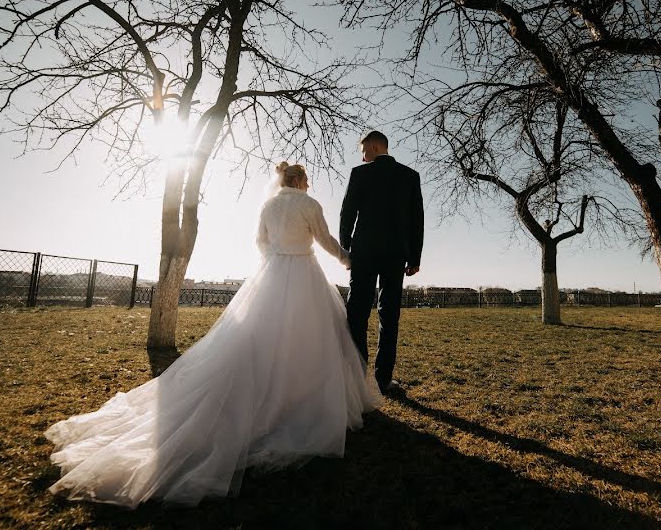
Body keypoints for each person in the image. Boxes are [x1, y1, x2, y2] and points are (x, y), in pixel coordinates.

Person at [45, 162, 381, 509]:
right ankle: (299, 399)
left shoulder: (268, 205)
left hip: (274, 273)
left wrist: (276, 262)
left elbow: (260, 243)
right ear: (300, 181)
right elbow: (324, 239)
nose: (307, 185)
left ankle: (271, 397)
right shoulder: (309, 205)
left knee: (260, 340)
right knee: (311, 341)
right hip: (303, 274)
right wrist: (346, 259)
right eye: (307, 180)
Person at [340, 131, 424, 395]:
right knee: (390, 316)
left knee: (357, 313)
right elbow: (417, 220)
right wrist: (415, 257)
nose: (362, 156)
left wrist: (346, 249)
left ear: (375, 147)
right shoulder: (410, 176)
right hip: (396, 254)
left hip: (364, 252)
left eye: (363, 150)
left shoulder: (359, 174)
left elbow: (347, 213)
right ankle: (383, 380)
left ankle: (356, 377)